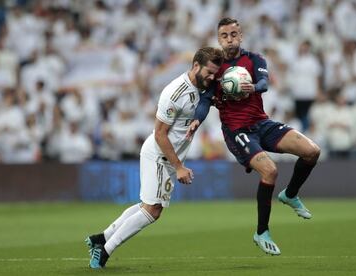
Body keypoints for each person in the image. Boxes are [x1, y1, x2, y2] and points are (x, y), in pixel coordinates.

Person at [186, 18, 321, 255]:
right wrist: (198, 118)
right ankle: (262, 232)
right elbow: (206, 100)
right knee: (270, 171)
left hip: (262, 123)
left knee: (312, 151)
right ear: (219, 39)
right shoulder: (214, 68)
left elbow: (264, 83)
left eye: (234, 34)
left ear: (241, 36)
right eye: (225, 35)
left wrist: (253, 87)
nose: (230, 38)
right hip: (237, 131)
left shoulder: (255, 59)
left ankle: (290, 194)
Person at [85, 46, 224, 269]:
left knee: (146, 205)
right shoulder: (175, 92)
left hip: (168, 157)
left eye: (214, 73)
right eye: (209, 71)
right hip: (161, 154)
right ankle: (105, 251)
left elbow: (207, 100)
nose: (212, 77)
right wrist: (178, 167)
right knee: (153, 210)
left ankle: (100, 239)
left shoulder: (204, 85)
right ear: (195, 66)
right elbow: (160, 133)